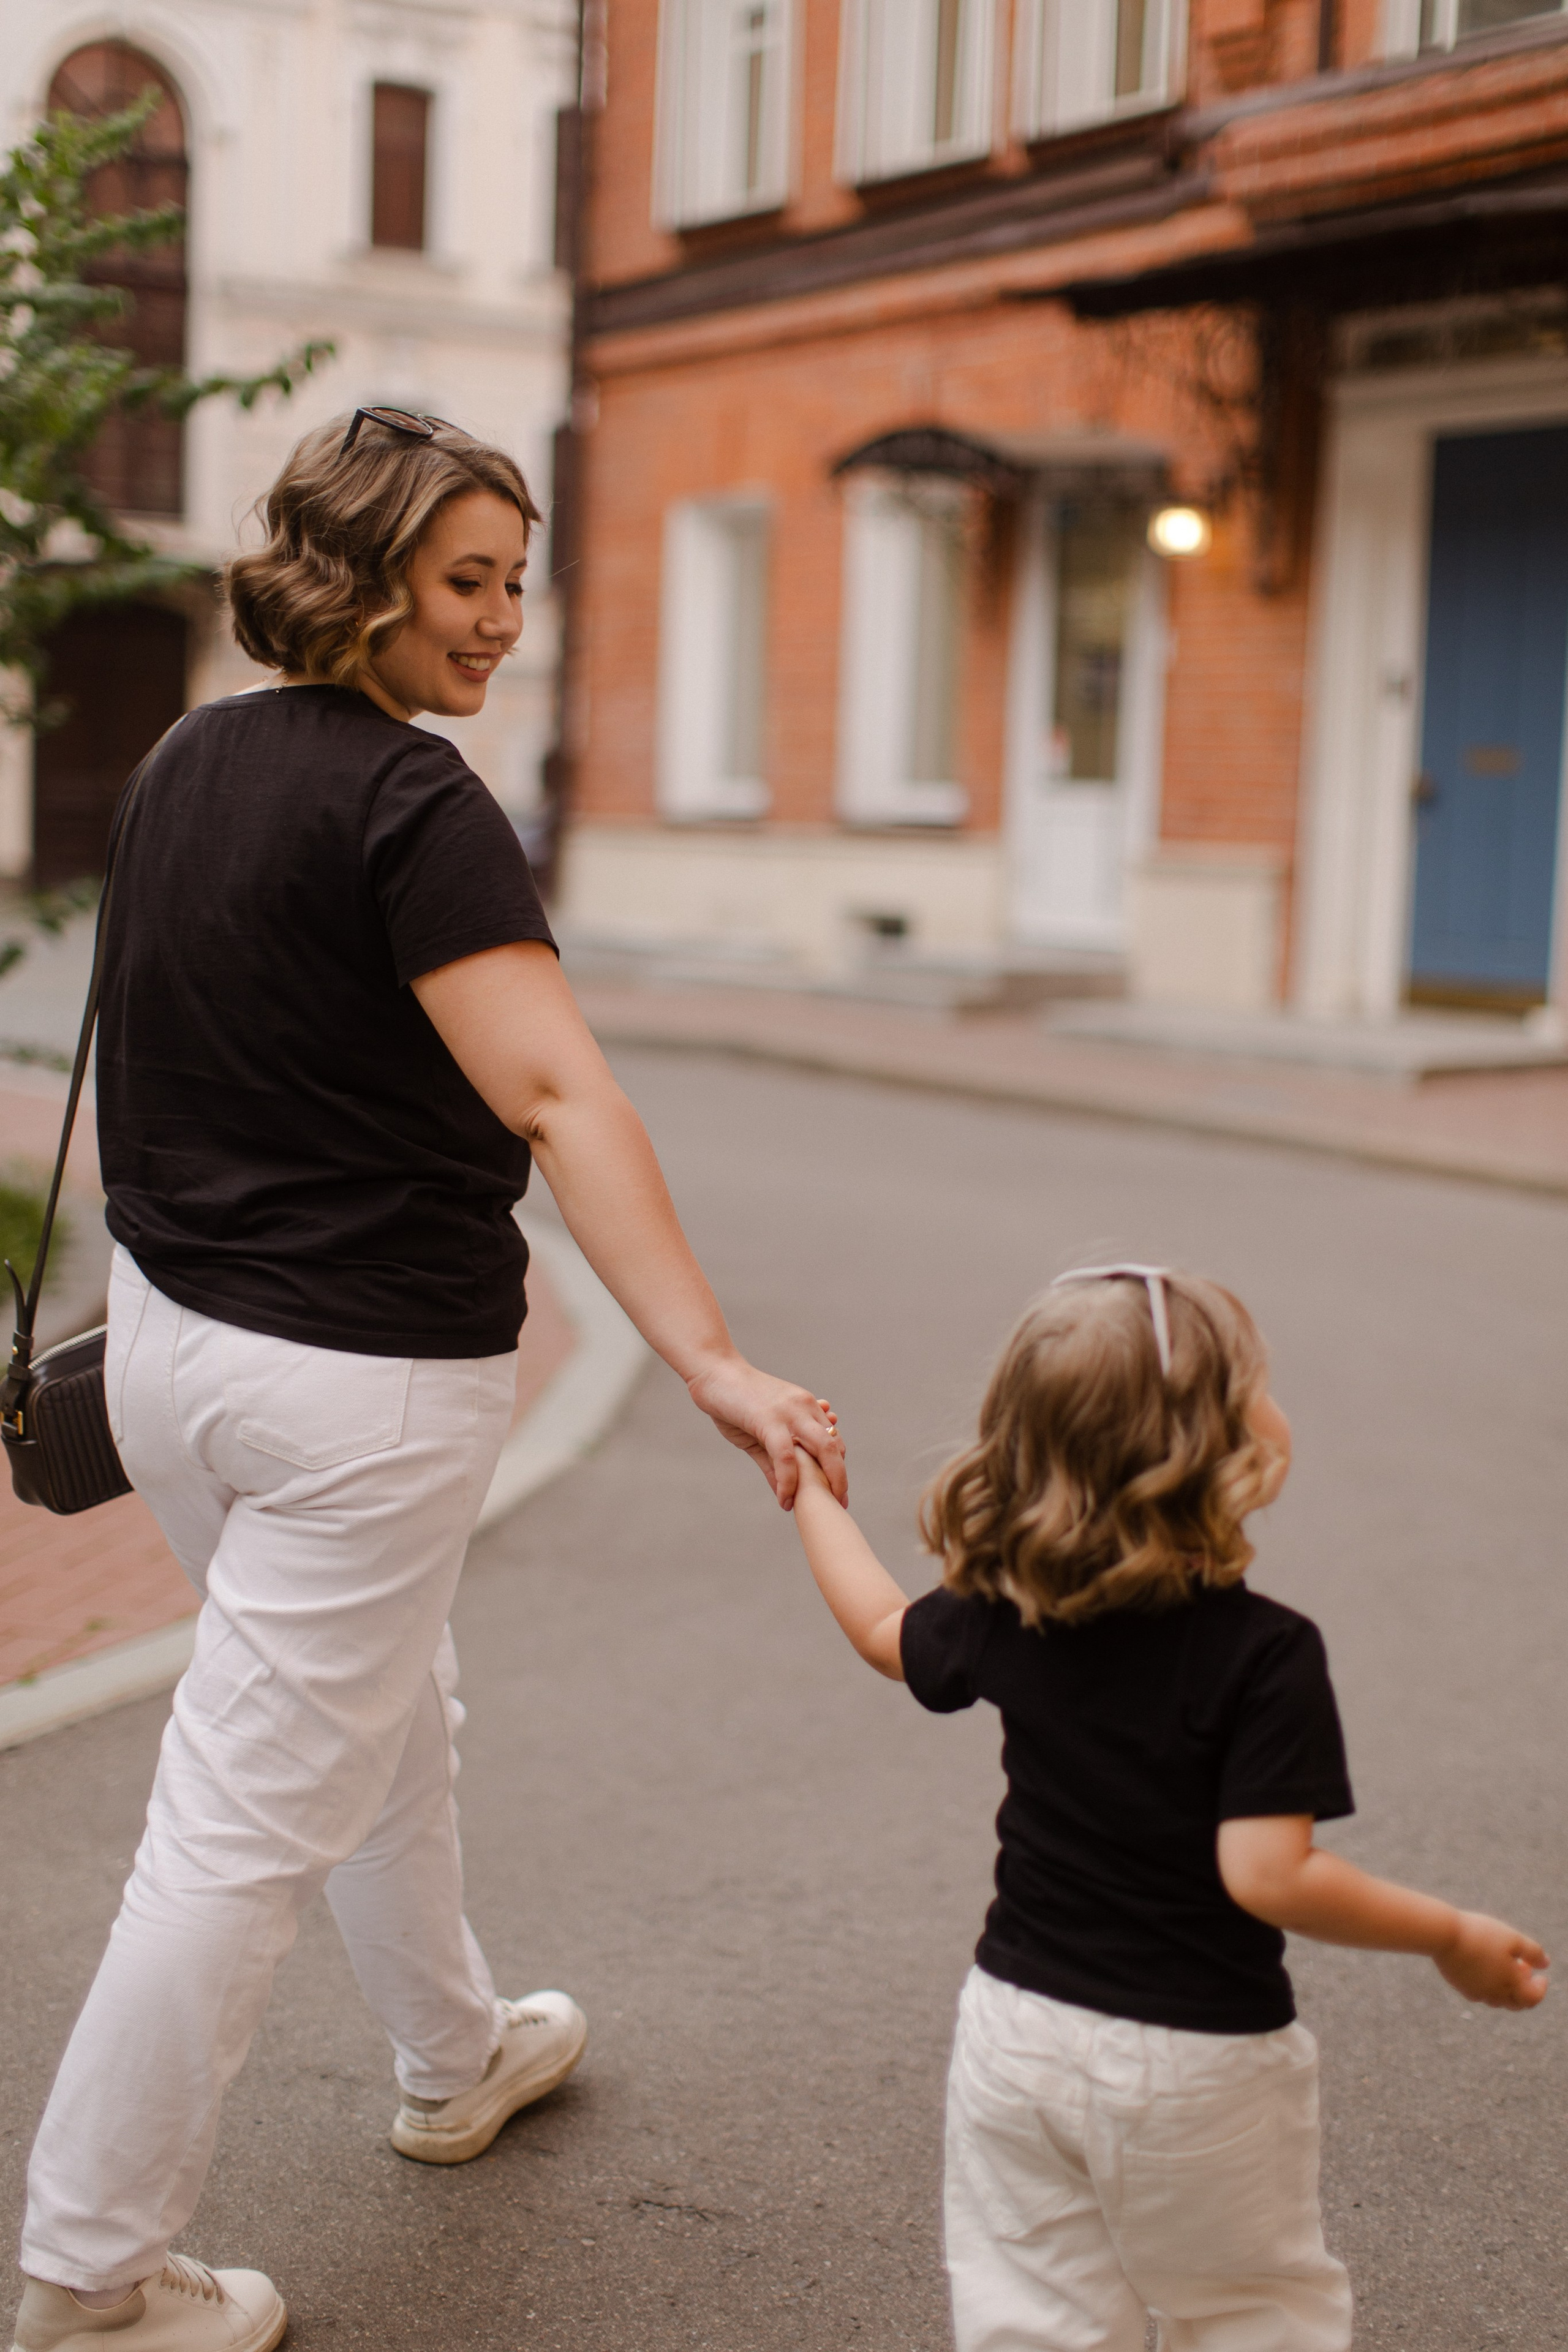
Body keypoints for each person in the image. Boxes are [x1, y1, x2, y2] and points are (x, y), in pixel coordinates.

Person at [11, 409, 845, 2352]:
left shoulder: (178, 764)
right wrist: (705, 1356)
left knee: (388, 1712)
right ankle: (87, 2278)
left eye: (515, 584)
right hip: (354, 1389)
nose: (498, 622)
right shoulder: (417, 800)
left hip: (172, 1354)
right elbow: (558, 1091)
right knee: (231, 1837)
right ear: (360, 575)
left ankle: (455, 2057)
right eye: (465, 582)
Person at [788, 1264, 1547, 2352]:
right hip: (1200, 2064)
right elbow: (1270, 1876)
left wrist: (813, 1494)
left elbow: (880, 1630)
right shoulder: (1266, 1656)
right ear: (1219, 1453)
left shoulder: (1010, 1604)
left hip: (1018, 2034)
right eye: (1257, 1390)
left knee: (1036, 2314)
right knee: (1249, 2312)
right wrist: (1451, 1935)